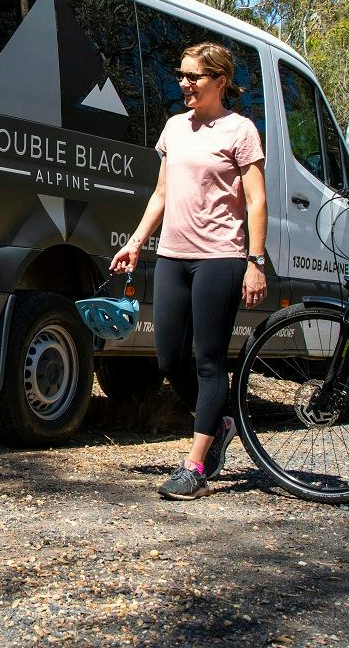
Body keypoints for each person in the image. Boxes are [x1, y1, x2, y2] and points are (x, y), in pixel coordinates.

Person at [110, 42, 267, 500]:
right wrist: (136, 242)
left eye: (193, 77)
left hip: (221, 256)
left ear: (220, 81)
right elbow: (160, 192)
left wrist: (255, 263)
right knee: (168, 359)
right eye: (181, 75)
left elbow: (256, 200)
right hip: (173, 255)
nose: (184, 83)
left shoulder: (240, 130)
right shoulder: (175, 127)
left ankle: (195, 464)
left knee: (208, 358)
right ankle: (220, 425)